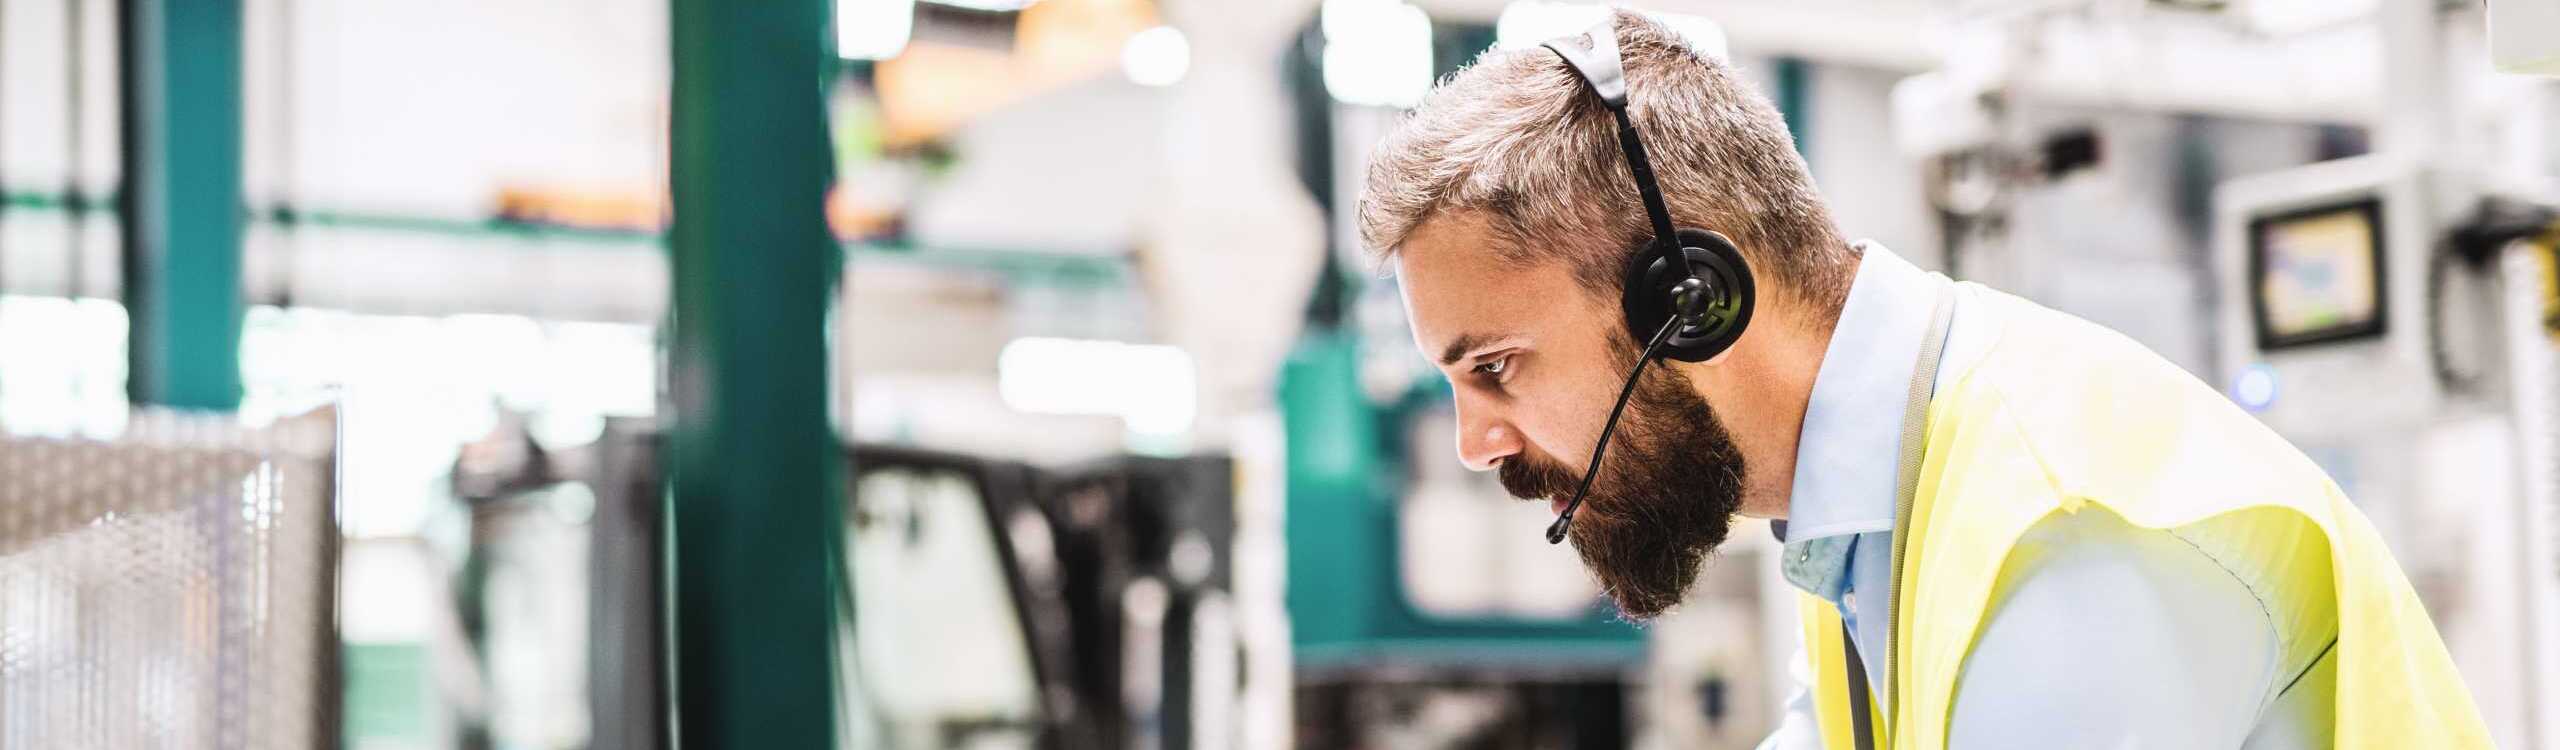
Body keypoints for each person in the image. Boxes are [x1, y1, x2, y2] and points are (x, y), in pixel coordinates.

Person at [1355, 9, 2488, 748]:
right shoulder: (1871, 524)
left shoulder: (2067, 539)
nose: (1474, 443)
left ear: (1687, 299)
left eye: (1495, 367)